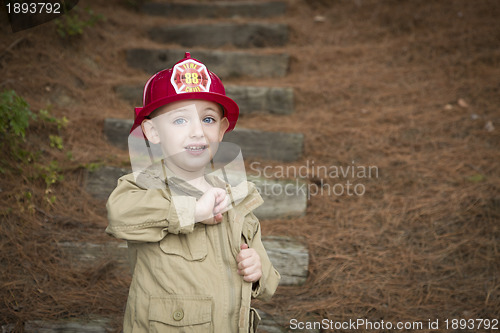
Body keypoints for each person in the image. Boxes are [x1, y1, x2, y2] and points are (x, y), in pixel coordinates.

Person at [106, 52, 280, 332]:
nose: (198, 132)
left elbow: (268, 284)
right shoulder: (144, 185)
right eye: (179, 121)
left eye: (208, 119)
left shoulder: (235, 200)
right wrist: (192, 211)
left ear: (222, 129)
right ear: (152, 131)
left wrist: (258, 272)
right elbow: (119, 215)